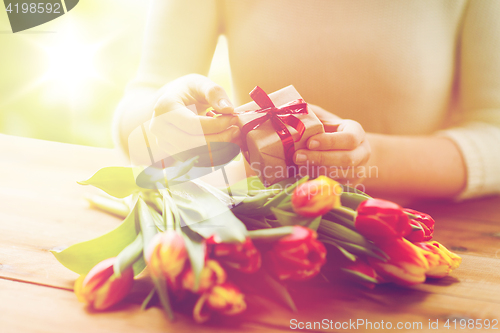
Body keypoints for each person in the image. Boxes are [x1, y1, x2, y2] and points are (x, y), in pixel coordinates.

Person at [113, 0, 500, 200]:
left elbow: (494, 132)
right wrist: (163, 122)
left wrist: (368, 159)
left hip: (417, 240)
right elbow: (136, 112)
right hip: (265, 234)